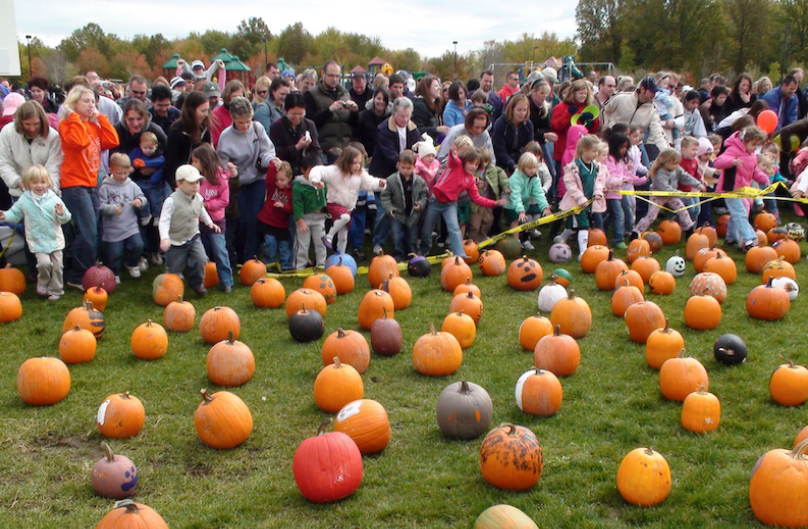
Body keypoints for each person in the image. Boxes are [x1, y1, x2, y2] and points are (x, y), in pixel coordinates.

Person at [59, 85, 119, 288]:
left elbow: (112, 140)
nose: (91, 105)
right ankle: (76, 276)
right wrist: (75, 118)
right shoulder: (68, 124)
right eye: (86, 101)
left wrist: (101, 119)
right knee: (86, 232)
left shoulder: (94, 124)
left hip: (93, 183)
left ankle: (85, 271)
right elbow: (81, 142)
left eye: (93, 101)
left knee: (93, 231)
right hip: (75, 184)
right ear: (74, 103)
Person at [420, 138, 506, 257]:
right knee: (427, 229)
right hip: (436, 201)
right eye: (471, 163)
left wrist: (494, 203)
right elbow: (452, 159)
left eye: (476, 164)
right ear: (465, 161)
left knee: (454, 228)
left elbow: (477, 198)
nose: (473, 167)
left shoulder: (470, 180)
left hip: (450, 204)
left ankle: (459, 255)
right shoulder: (456, 165)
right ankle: (423, 251)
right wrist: (452, 152)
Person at [216, 97, 277, 264]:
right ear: (233, 119)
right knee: (241, 220)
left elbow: (267, 151)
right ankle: (240, 255)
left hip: (257, 177)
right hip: (237, 182)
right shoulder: (225, 137)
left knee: (255, 217)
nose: (245, 126)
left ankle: (252, 257)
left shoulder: (257, 129)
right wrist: (231, 171)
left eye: (248, 121)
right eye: (241, 122)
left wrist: (271, 161)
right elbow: (221, 164)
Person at [0, 164, 70, 300]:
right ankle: (43, 282)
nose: (39, 186)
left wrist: (61, 214)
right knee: (44, 264)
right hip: (38, 240)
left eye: (42, 182)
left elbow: (66, 218)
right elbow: (15, 214)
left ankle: (56, 290)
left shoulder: (54, 199)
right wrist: (5, 216)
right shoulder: (25, 200)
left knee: (57, 266)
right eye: (35, 182)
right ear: (28, 183)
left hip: (55, 239)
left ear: (48, 183)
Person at [367, 97, 421, 255]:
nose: (405, 119)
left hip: (405, 174)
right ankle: (378, 242)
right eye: (401, 116)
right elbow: (390, 154)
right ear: (394, 113)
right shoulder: (384, 129)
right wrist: (406, 167)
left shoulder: (413, 129)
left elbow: (416, 148)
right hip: (384, 174)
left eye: (408, 116)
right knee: (384, 210)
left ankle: (403, 242)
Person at [311, 145, 385, 253]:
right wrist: (315, 179)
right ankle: (329, 236)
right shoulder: (335, 171)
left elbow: (370, 182)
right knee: (345, 217)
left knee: (343, 235)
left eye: (359, 163)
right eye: (354, 162)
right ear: (346, 161)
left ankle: (341, 255)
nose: (357, 166)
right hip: (334, 204)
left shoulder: (360, 174)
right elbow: (319, 170)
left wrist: (380, 184)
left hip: (348, 207)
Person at [159, 164, 220, 296]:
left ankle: (196, 284)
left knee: (201, 259)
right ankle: (170, 290)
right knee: (173, 270)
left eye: (198, 182)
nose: (196, 186)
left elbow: (201, 210)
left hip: (193, 236)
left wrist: (210, 222)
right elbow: (164, 221)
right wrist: (164, 238)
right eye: (191, 183)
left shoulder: (198, 197)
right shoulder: (171, 201)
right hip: (175, 241)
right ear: (179, 183)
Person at [714, 126, 770, 251]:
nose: (755, 148)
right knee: (740, 213)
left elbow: (754, 171)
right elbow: (718, 161)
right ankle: (749, 239)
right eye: (753, 145)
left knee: (737, 214)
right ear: (745, 140)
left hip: (742, 189)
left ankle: (731, 238)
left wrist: (765, 179)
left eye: (757, 146)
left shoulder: (752, 155)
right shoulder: (734, 149)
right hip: (730, 189)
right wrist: (732, 161)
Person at [631, 148, 705, 239]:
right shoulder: (660, 174)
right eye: (674, 163)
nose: (676, 166)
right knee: (651, 216)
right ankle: (636, 233)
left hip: (671, 195)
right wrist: (683, 195)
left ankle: (689, 231)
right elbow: (666, 189)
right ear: (667, 162)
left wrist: (698, 185)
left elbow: (685, 176)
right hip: (659, 196)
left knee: (683, 211)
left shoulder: (676, 168)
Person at [0, 100, 62, 206]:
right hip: (19, 193)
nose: (32, 128)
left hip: (46, 194)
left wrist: (48, 189)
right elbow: (4, 162)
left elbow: (54, 167)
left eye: (36, 124)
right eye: (27, 124)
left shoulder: (52, 136)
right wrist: (18, 182)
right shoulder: (8, 132)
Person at [192, 143, 234, 293]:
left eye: (195, 161)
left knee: (220, 251)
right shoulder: (196, 178)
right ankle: (199, 282)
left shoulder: (220, 178)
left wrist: (206, 204)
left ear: (205, 161)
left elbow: (224, 200)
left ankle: (227, 281)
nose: (193, 164)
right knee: (199, 254)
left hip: (215, 221)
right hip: (198, 221)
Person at [99, 153, 147, 283]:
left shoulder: (131, 185)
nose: (123, 176)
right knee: (115, 253)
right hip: (113, 229)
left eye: (125, 173)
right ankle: (114, 272)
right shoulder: (105, 187)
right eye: (119, 173)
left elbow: (142, 197)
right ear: (111, 170)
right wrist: (112, 209)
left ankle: (131, 263)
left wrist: (139, 201)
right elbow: (100, 206)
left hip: (130, 225)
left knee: (138, 245)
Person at [558, 135, 607, 258]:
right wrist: (580, 198)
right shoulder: (574, 166)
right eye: (594, 151)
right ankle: (583, 253)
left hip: (590, 203)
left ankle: (561, 238)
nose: (596, 154)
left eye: (597, 151)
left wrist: (598, 192)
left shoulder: (596, 167)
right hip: (577, 202)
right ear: (584, 149)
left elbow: (599, 181)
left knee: (573, 227)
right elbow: (570, 185)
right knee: (584, 226)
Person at [601, 76, 668, 160]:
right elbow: (605, 110)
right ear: (643, 89)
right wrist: (606, 127)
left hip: (635, 144)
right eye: (651, 91)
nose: (654, 95)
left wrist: (666, 152)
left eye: (655, 92)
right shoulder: (621, 98)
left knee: (646, 169)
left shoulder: (653, 110)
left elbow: (658, 133)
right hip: (614, 140)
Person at [379, 150, 428, 261]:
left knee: (412, 237)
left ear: (414, 167)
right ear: (398, 165)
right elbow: (385, 195)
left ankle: (411, 254)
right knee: (396, 235)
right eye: (403, 167)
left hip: (412, 214)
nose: (405, 170)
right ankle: (397, 254)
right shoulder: (391, 180)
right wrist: (389, 208)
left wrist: (420, 204)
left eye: (408, 168)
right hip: (397, 214)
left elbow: (425, 194)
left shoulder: (420, 181)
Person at [304, 60, 359, 154]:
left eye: (337, 76)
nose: (334, 79)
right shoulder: (311, 94)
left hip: (345, 148)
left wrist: (355, 112)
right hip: (324, 149)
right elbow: (309, 122)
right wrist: (329, 111)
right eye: (331, 75)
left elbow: (355, 125)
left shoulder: (345, 93)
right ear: (323, 74)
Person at [551, 80, 601, 179]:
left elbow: (593, 130)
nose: (583, 96)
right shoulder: (561, 107)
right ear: (573, 93)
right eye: (580, 93)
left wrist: (593, 120)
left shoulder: (588, 108)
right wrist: (568, 114)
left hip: (583, 153)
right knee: (563, 179)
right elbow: (555, 126)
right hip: (564, 151)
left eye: (585, 93)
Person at [503, 152, 552, 250]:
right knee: (515, 221)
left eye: (534, 167)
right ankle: (516, 245)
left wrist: (545, 207)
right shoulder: (516, 178)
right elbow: (515, 195)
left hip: (523, 203)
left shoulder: (534, 177)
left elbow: (539, 193)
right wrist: (520, 211)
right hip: (511, 203)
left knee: (524, 222)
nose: (532, 170)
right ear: (522, 167)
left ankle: (524, 240)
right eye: (530, 168)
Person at [164, 91, 211, 190]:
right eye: (202, 111)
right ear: (191, 110)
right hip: (182, 180)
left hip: (200, 179)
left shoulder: (204, 127)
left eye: (207, 110)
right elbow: (171, 162)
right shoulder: (177, 131)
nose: (206, 114)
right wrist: (175, 184)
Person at [269, 93, 322, 175]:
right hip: (285, 173)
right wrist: (296, 147)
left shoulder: (309, 125)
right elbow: (276, 153)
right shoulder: (276, 127)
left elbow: (316, 150)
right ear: (285, 111)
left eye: (301, 114)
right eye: (293, 114)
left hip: (305, 171)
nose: (297, 117)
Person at [604, 131, 639, 248]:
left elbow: (627, 174)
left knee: (622, 211)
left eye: (626, 147)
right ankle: (618, 239)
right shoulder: (609, 160)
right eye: (622, 147)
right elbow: (610, 176)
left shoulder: (621, 160)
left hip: (620, 192)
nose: (624, 149)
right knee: (619, 215)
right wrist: (622, 180)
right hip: (612, 193)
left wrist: (642, 179)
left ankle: (605, 230)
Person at [257, 161, 294, 271]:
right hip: (269, 222)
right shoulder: (273, 188)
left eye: (282, 180)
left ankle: (285, 265)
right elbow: (268, 179)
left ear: (289, 178)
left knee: (284, 246)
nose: (278, 182)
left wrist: (284, 207)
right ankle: (269, 264)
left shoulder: (292, 191)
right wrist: (273, 166)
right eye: (276, 180)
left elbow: (293, 209)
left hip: (282, 224)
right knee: (269, 243)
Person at [293, 153, 327, 270]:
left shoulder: (323, 183)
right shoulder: (299, 186)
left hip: (319, 218)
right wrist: (300, 220)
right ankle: (299, 266)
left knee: (321, 243)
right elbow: (297, 204)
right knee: (303, 244)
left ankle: (321, 265)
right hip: (304, 219)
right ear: (303, 170)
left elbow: (325, 198)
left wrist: (322, 206)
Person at [467, 147, 509, 243]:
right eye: (481, 162)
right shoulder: (473, 172)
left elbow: (502, 174)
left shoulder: (492, 169)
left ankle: (482, 237)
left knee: (489, 220)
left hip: (487, 201)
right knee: (475, 225)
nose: (484, 164)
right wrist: (475, 183)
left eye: (486, 161)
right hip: (475, 203)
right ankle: (472, 242)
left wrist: (506, 186)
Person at [494, 94, 538, 175]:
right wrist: (512, 165)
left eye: (524, 110)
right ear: (512, 109)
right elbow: (499, 150)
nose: (522, 113)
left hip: (521, 158)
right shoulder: (501, 123)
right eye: (519, 110)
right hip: (502, 160)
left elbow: (529, 147)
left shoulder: (528, 125)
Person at [412, 76, 449, 142]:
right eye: (436, 86)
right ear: (427, 88)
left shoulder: (435, 103)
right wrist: (437, 129)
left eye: (439, 85)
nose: (439, 88)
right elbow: (417, 129)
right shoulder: (419, 106)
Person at [355, 88, 390, 156]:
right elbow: (356, 135)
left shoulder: (390, 118)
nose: (381, 102)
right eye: (378, 98)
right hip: (365, 154)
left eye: (384, 100)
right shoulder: (363, 116)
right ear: (373, 99)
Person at [211, 80, 246, 147]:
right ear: (228, 97)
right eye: (235, 96)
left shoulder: (246, 112)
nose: (238, 99)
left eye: (241, 96)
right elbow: (216, 141)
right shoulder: (216, 115)